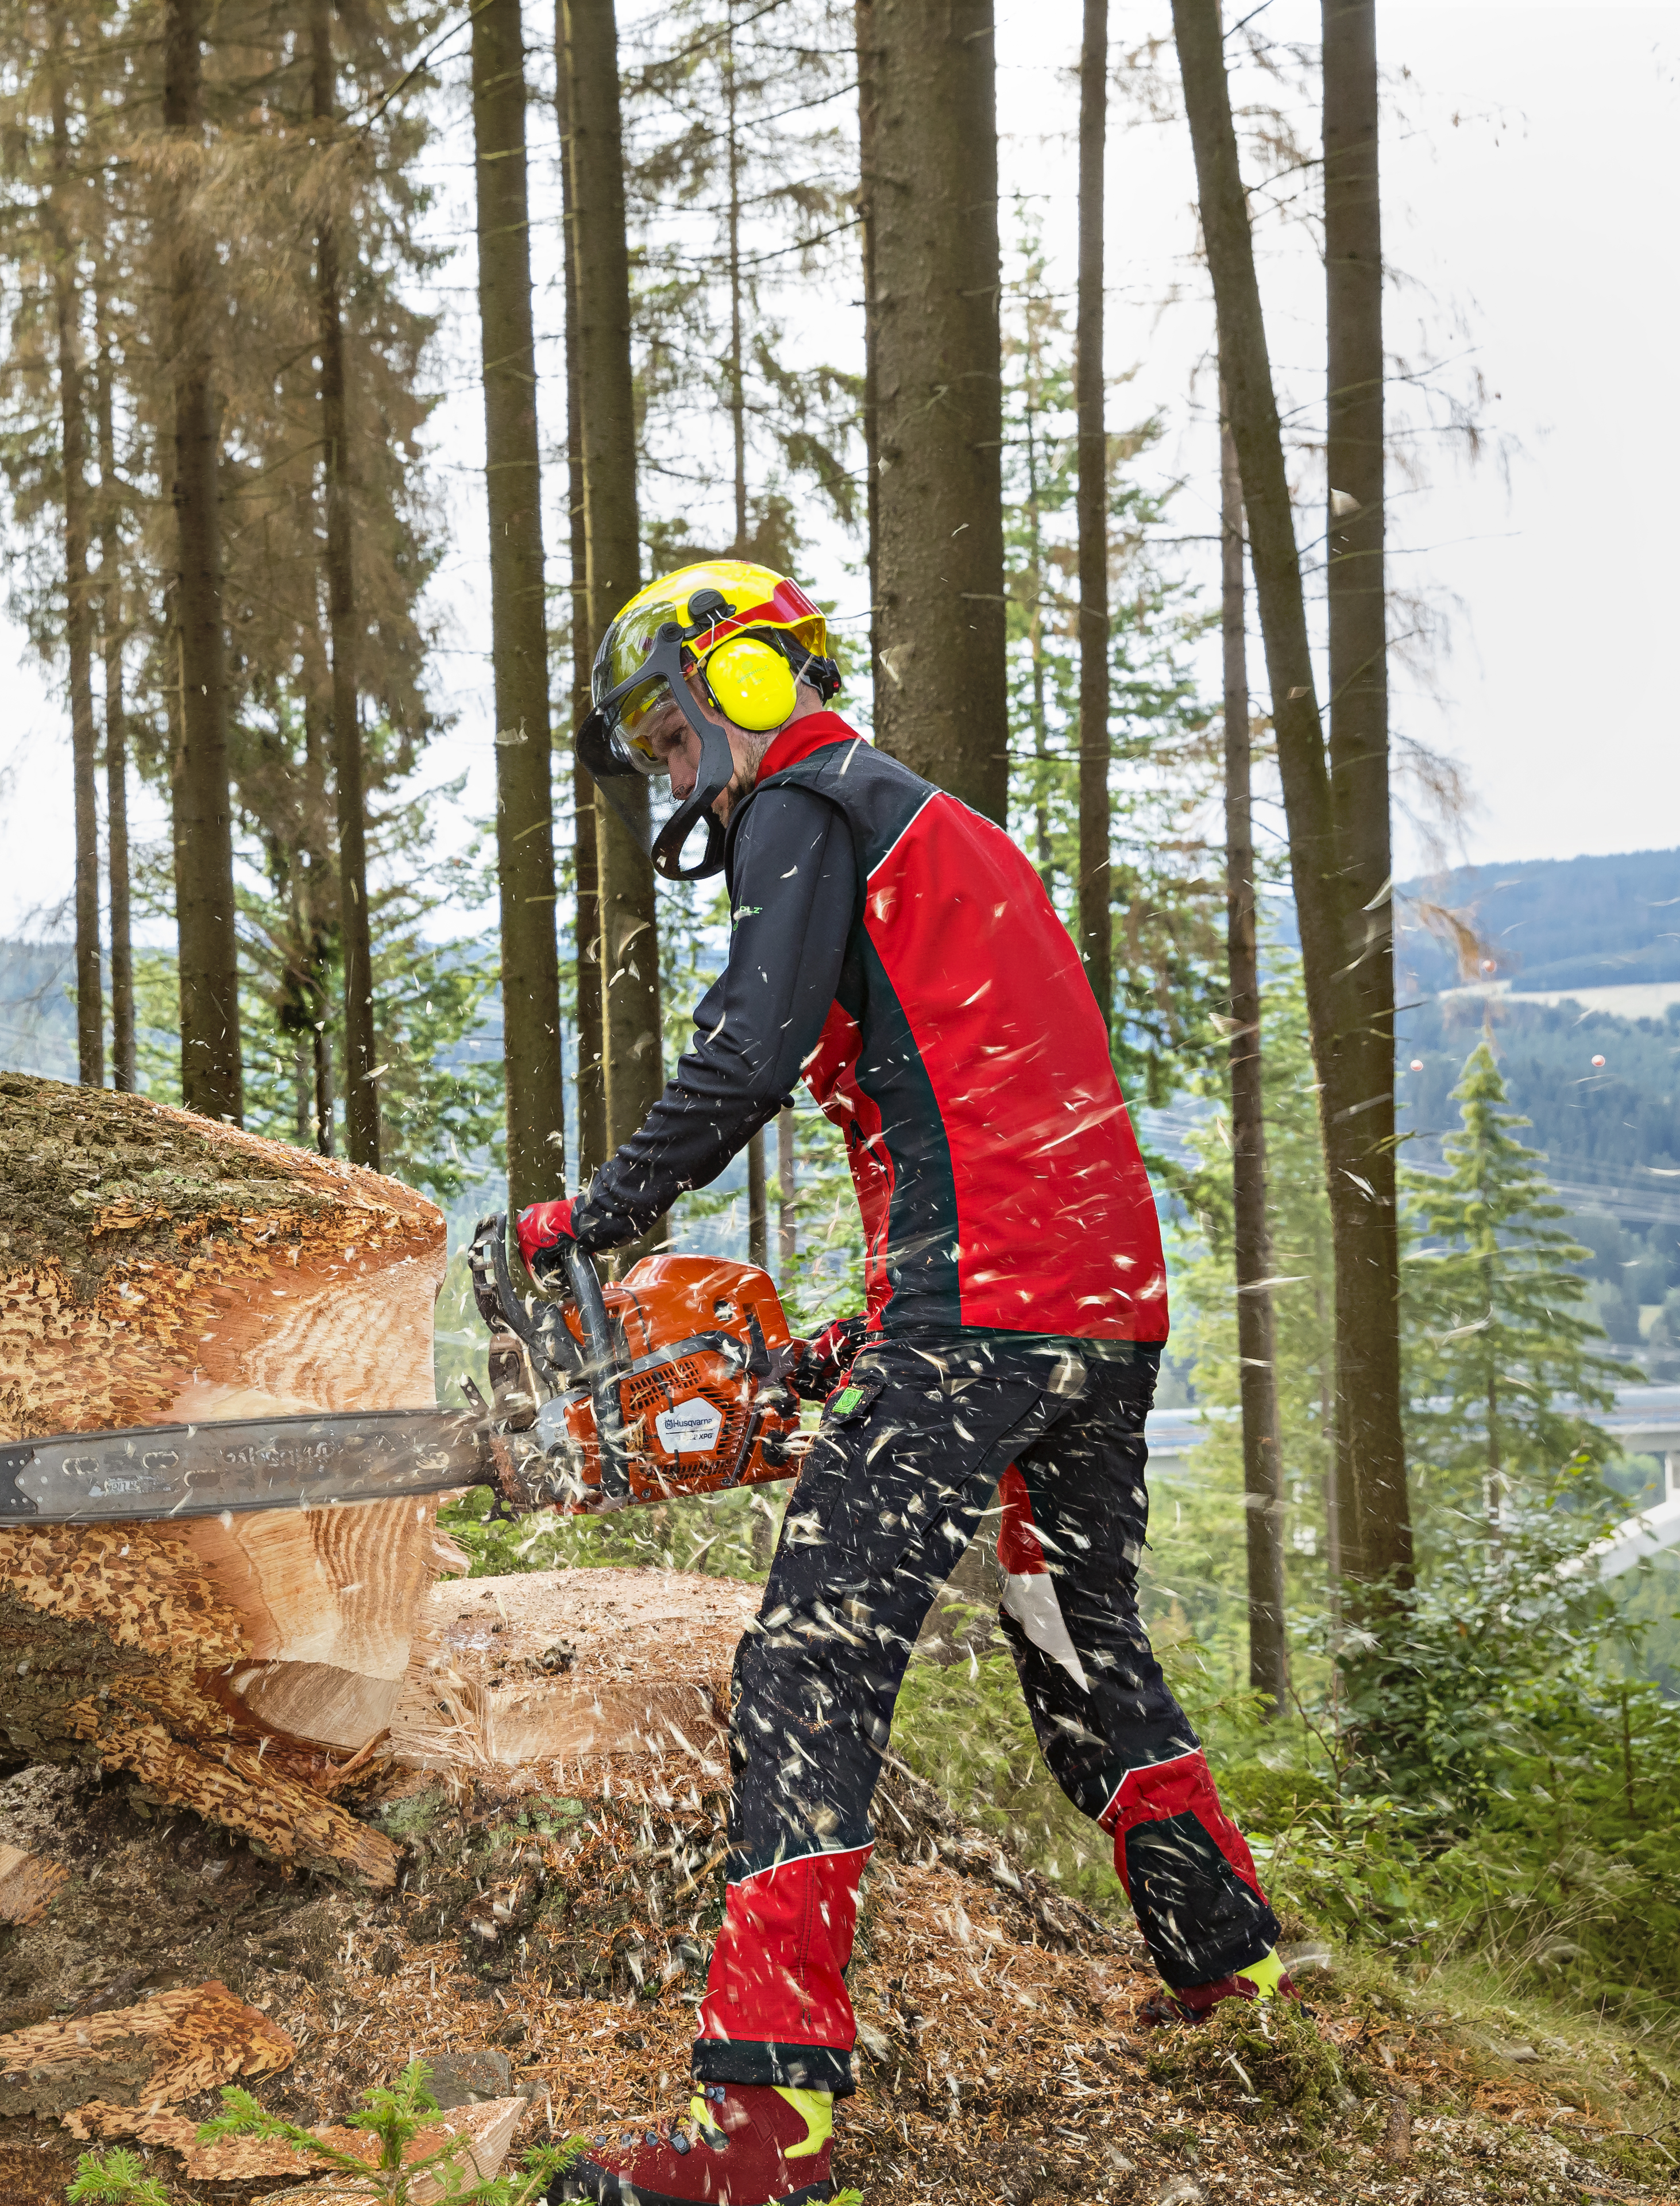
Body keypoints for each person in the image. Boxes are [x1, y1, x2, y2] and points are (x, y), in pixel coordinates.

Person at [523, 560, 1285, 2206]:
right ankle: (1232, 1965)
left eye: (669, 737)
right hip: (1093, 1310)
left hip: (989, 1311)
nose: (671, 776)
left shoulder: (808, 799)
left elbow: (749, 1046)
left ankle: (763, 2127)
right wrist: (862, 1346)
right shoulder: (937, 825)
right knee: (1077, 1642)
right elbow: (971, 1108)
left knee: (807, 1659)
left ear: (743, 686)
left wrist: (601, 1211)